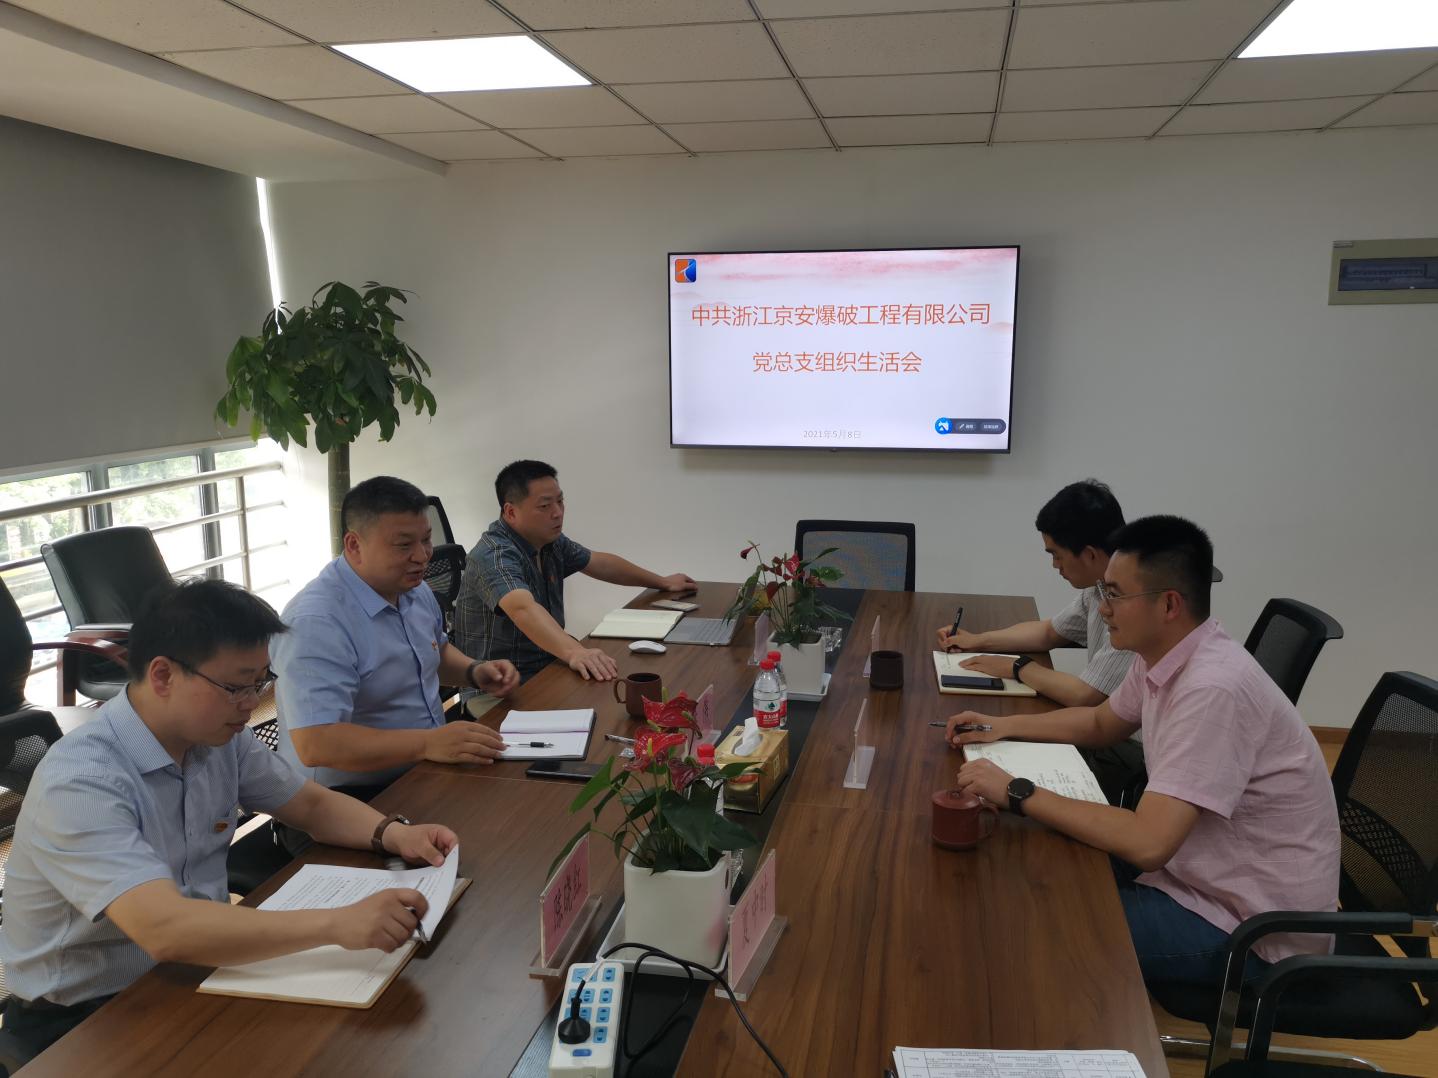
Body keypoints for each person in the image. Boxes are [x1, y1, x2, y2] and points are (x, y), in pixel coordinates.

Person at [0, 579, 458, 1057]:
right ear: (163, 675)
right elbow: (164, 928)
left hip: (195, 969)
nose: (251, 703)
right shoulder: (82, 781)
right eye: (236, 687)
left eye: (260, 682)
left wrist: (393, 834)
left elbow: (310, 805)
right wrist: (335, 925)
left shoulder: (216, 739)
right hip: (85, 1018)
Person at [947, 516, 1339, 991]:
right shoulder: (1165, 653)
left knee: (1041, 915)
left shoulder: (1212, 689)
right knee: (1032, 856)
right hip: (1196, 874)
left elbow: (1149, 844)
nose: (1102, 607)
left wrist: (1017, 790)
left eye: (1114, 594)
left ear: (1169, 604)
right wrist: (1003, 727)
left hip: (1252, 930)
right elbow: (1100, 723)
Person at [272, 476, 520, 806]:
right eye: (404, 546)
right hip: (344, 801)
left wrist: (474, 672)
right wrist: (428, 743)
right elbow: (317, 743)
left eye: (426, 539)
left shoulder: (413, 590)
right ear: (354, 545)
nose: (422, 556)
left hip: (422, 770)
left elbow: (433, 651)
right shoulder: (315, 624)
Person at [452, 460, 696, 684]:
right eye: (545, 506)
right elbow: (522, 608)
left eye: (560, 501)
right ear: (511, 512)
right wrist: (575, 652)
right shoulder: (494, 554)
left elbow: (599, 563)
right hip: (502, 685)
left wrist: (662, 582)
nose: (557, 512)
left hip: (549, 664)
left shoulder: (549, 542)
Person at [935, 479, 1131, 708]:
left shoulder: (1135, 605)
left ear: (1090, 555)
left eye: (1057, 555)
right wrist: (978, 641)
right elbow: (1049, 632)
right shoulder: (1098, 588)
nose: (1055, 565)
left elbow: (1085, 695)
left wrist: (1017, 667)